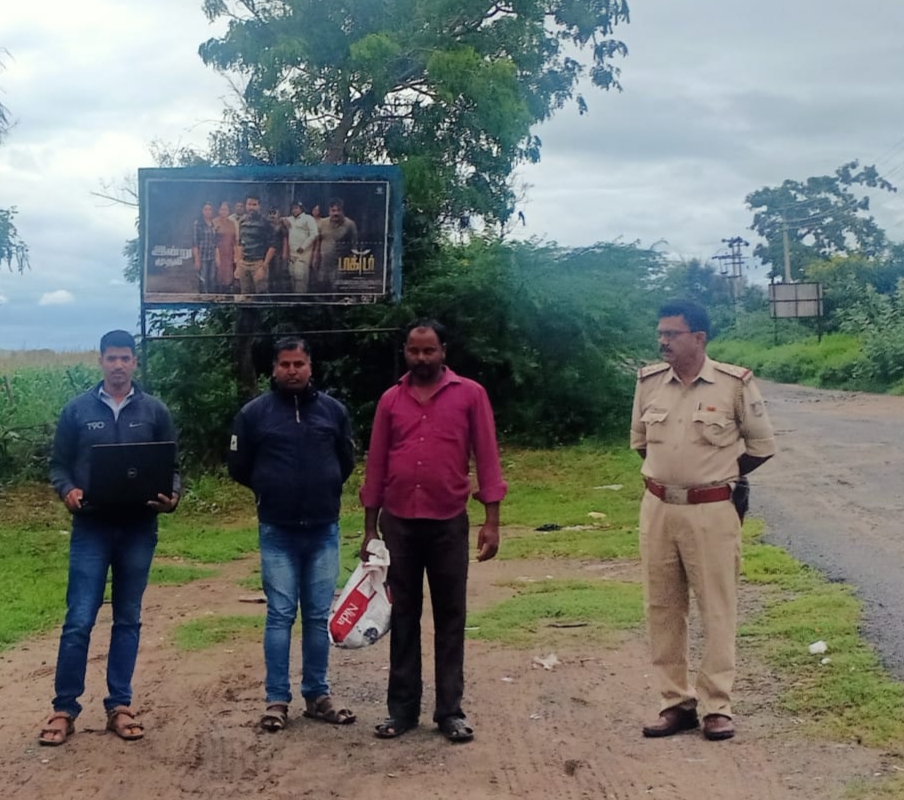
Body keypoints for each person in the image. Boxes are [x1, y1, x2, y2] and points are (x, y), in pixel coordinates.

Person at [630, 299, 775, 742]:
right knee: (662, 607)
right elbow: (640, 443)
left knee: (716, 606)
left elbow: (760, 446)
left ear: (699, 338)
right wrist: (673, 478)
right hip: (657, 508)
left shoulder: (733, 384)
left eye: (672, 334)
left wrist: (715, 479)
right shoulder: (650, 383)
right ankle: (675, 703)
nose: (663, 341)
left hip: (712, 511)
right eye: (661, 333)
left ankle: (717, 706)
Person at [359, 319, 507, 743]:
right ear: (405, 352)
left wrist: (491, 522)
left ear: (444, 350)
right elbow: (376, 465)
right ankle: (401, 712)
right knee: (402, 615)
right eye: (413, 351)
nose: (421, 358)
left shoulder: (470, 395)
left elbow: (488, 457)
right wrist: (370, 531)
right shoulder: (391, 400)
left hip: (447, 522)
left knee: (450, 616)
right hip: (399, 523)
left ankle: (450, 712)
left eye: (429, 351)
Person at [39, 330, 180, 747]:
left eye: (125, 358)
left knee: (128, 618)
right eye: (111, 358)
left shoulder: (154, 411)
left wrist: (173, 496)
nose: (118, 365)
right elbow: (59, 465)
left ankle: (120, 705)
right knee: (79, 619)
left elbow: (172, 466)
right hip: (92, 527)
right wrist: (68, 491)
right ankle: (64, 708)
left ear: (135, 362)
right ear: (100, 361)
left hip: (139, 527)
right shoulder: (77, 411)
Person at [227, 337, 357, 732]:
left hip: (323, 529)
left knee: (318, 616)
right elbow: (238, 466)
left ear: (311, 366)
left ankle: (317, 695)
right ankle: (277, 700)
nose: (292, 370)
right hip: (277, 530)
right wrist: (271, 488)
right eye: (285, 364)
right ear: (274, 369)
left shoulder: (333, 412)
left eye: (299, 363)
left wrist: (324, 487)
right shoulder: (254, 415)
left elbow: (346, 461)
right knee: (280, 615)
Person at [235, 194, 279, 295]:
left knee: (260, 295)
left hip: (258, 263)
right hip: (244, 263)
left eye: (254, 205)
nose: (251, 207)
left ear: (259, 206)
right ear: (246, 205)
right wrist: (239, 264)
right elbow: (240, 244)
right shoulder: (242, 222)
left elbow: (273, 246)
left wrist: (263, 266)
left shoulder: (265, 223)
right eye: (249, 204)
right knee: (245, 295)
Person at [314, 197, 357, 291]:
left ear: (342, 211)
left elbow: (354, 245)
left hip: (340, 264)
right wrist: (315, 257)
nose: (336, 213)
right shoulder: (322, 223)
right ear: (329, 211)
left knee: (337, 289)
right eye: (333, 210)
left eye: (338, 210)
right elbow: (317, 242)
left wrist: (352, 263)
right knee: (322, 287)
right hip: (324, 263)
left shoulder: (350, 225)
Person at [281, 200, 319, 293]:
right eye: (293, 208)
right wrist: (282, 220)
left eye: (296, 208)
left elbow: (314, 234)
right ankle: (294, 300)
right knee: (292, 277)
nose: (294, 210)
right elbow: (278, 219)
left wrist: (303, 247)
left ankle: (301, 299)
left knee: (300, 277)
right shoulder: (290, 219)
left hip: (303, 254)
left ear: (301, 208)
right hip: (292, 254)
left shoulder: (308, 218)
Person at [192, 201, 219, 293]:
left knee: (211, 278)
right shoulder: (198, 224)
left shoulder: (214, 223)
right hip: (202, 256)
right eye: (205, 209)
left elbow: (215, 242)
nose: (208, 211)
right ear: (202, 211)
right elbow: (195, 243)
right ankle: (202, 298)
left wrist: (217, 257)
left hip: (211, 256)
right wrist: (197, 259)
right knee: (202, 279)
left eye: (210, 209)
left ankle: (210, 300)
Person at [214, 200, 239, 293]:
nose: (223, 211)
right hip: (219, 253)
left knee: (229, 277)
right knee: (218, 276)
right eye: (222, 209)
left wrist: (236, 256)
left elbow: (235, 240)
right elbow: (214, 241)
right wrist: (217, 256)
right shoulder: (214, 222)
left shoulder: (232, 223)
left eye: (225, 210)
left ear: (229, 211)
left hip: (229, 254)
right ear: (218, 210)